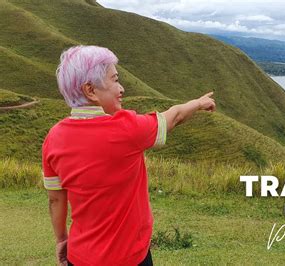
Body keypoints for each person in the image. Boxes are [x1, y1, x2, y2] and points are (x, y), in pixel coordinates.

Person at [42, 45, 216, 265]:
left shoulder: (54, 137)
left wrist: (61, 239)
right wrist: (198, 103)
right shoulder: (126, 128)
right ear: (90, 91)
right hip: (129, 257)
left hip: (80, 257)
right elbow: (175, 117)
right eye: (114, 80)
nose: (122, 88)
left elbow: (56, 198)